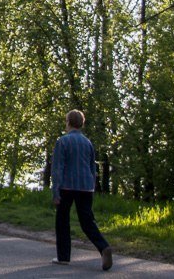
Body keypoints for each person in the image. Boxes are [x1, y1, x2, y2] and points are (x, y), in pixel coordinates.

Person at [51, 109, 113, 271]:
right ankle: (103, 247)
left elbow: (57, 169)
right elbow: (92, 168)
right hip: (86, 187)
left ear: (68, 122)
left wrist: (55, 192)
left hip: (67, 186)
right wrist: (91, 186)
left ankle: (63, 257)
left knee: (62, 220)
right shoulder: (88, 143)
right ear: (82, 124)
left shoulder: (62, 141)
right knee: (87, 221)